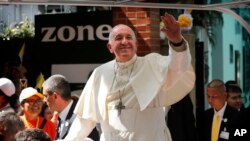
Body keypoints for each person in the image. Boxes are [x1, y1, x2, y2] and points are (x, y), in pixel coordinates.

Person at [64, 13, 195, 141]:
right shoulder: (100, 74)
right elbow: (85, 120)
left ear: (136, 44)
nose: (124, 42)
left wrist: (176, 41)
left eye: (128, 37)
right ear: (110, 47)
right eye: (118, 38)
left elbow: (178, 67)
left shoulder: (153, 64)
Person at [42, 74, 99, 140]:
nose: (44, 100)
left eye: (46, 96)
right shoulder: (60, 117)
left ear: (55, 96)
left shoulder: (81, 116)